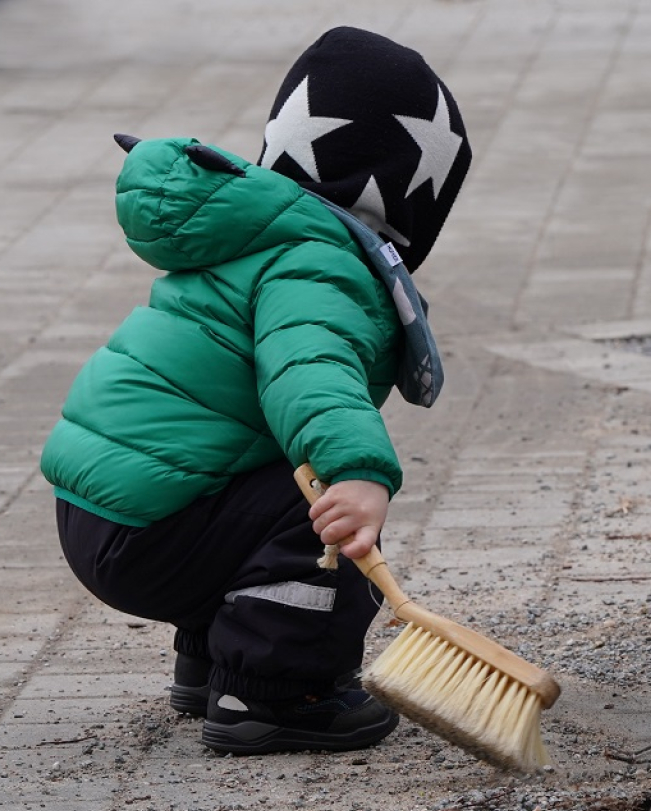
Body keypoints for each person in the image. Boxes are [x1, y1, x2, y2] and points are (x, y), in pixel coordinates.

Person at [39, 26, 471, 755]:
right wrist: (361, 473)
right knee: (323, 515)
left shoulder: (260, 235)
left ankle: (209, 658)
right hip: (151, 525)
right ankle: (273, 693)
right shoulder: (320, 264)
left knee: (261, 480)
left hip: (102, 510)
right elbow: (312, 376)